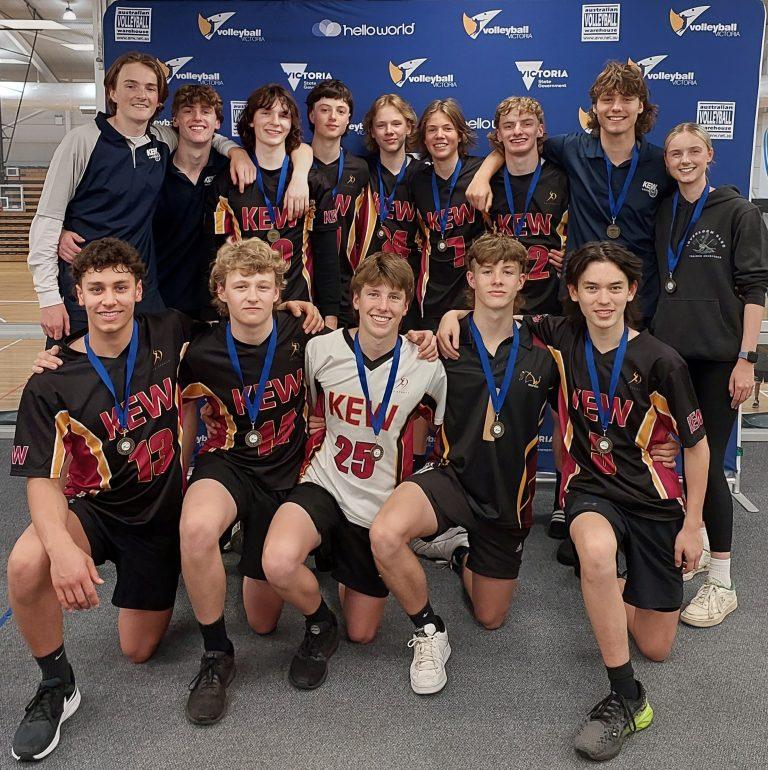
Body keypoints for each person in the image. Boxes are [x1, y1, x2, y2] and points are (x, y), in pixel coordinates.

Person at [7, 238, 192, 761]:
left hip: (159, 512)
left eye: (118, 287)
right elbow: (41, 478)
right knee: (26, 563)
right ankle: (55, 684)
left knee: (137, 650)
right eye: (95, 289)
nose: (108, 299)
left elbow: (244, 333)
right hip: (97, 508)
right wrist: (61, 550)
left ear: (137, 290)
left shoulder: (171, 330)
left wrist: (300, 304)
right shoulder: (52, 379)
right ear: (78, 297)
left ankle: (181, 560)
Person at [369, 233, 559, 696]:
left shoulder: (546, 348)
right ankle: (430, 631)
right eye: (487, 271)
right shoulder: (442, 345)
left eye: (508, 271)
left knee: (490, 617)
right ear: (470, 279)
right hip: (451, 476)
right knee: (385, 534)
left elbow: (593, 407)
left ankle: (457, 553)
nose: (497, 279)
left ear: (522, 280)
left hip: (508, 496)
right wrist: (430, 327)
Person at [261, 253, 447, 691]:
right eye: (374, 295)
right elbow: (310, 412)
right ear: (357, 298)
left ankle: (343, 562)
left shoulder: (427, 364)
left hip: (377, 504)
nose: (383, 306)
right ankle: (318, 622)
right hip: (325, 483)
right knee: (278, 561)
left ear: (406, 307)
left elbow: (442, 436)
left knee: (362, 633)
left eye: (394, 297)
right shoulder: (320, 349)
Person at [177, 238, 324, 725]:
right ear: (222, 292)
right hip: (230, 464)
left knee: (262, 622)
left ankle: (314, 616)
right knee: (196, 529)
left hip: (285, 471)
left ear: (279, 290)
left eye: (264, 286)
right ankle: (216, 655)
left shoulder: (304, 332)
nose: (253, 296)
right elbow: (188, 418)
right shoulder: (199, 351)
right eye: (241, 286)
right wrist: (179, 477)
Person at [31, 51, 257, 340]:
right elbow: (46, 221)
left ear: (159, 99)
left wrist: (235, 151)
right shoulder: (82, 141)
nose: (141, 95)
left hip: (141, 293)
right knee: (80, 378)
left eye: (150, 88)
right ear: (112, 91)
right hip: (88, 289)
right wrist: (48, 298)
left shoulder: (161, 140)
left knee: (142, 378)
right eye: (131, 85)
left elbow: (203, 133)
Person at [652, 122, 768, 625]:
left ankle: (722, 579)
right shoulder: (664, 210)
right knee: (672, 459)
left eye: (693, 151)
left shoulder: (738, 212)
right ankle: (691, 548)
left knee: (709, 466)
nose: (683, 159)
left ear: (710, 154)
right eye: (675, 153)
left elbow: (755, 290)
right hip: (671, 357)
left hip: (721, 361)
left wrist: (748, 359)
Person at [466, 61, 673, 326]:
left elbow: (691, 183)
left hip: (639, 297)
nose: (616, 108)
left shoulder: (660, 162)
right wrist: (482, 176)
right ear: (595, 108)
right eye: (607, 99)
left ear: (641, 105)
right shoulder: (572, 149)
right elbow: (519, 143)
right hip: (581, 298)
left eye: (627, 99)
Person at [484, 94, 570, 537]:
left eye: (526, 123)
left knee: (564, 408)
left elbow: (590, 223)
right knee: (507, 406)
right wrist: (487, 166)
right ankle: (507, 493)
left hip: (552, 310)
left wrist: (571, 257)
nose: (518, 130)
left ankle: (563, 499)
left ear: (541, 130)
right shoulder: (487, 185)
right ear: (497, 135)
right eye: (508, 124)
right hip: (503, 312)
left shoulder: (563, 177)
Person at [206, 83, 340, 327]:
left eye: (284, 115)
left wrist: (330, 317)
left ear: (292, 124)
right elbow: (216, 255)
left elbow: (327, 256)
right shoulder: (227, 183)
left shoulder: (312, 182)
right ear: (250, 120)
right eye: (266, 113)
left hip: (302, 313)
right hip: (245, 312)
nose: (275, 122)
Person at [407, 99, 486, 331]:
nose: (439, 135)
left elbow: (504, 155)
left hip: (472, 292)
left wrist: (485, 174)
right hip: (431, 292)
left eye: (447, 128)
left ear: (460, 135)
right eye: (432, 130)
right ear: (423, 138)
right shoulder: (417, 178)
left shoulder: (481, 171)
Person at [306, 79, 371, 326]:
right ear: (312, 115)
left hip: (346, 282)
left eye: (341, 111)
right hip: (305, 281)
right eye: (325, 110)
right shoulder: (293, 167)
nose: (333, 117)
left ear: (348, 120)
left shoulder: (360, 168)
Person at [357, 93, 423, 329]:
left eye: (396, 123)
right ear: (372, 131)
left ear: (409, 127)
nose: (389, 131)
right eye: (381, 125)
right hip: (371, 283)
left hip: (411, 286)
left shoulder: (425, 174)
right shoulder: (360, 171)